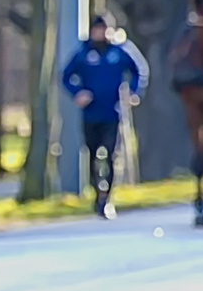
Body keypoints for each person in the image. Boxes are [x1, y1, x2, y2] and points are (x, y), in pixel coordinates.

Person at [62, 14, 147, 219]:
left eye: (104, 29)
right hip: (91, 113)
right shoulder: (83, 53)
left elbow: (139, 71)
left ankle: (106, 198)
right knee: (91, 153)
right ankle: (94, 189)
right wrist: (78, 93)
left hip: (113, 112)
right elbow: (66, 76)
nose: (101, 34)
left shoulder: (120, 51)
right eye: (97, 29)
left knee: (110, 154)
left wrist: (133, 92)